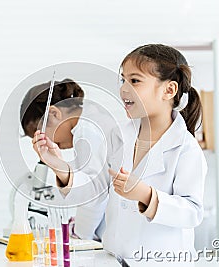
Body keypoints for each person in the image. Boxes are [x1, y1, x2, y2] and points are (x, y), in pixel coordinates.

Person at [33, 44, 207, 259]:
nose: (124, 88)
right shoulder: (119, 136)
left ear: (168, 90)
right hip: (114, 258)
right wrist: (60, 166)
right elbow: (95, 190)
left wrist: (145, 194)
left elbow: (192, 212)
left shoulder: (185, 148)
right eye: (123, 79)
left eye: (134, 80)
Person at [20, 78, 114, 241]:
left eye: (39, 133)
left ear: (54, 113)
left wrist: (79, 234)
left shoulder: (86, 131)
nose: (45, 141)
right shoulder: (92, 118)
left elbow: (93, 195)